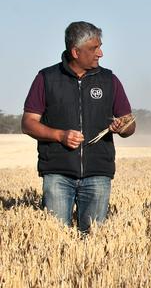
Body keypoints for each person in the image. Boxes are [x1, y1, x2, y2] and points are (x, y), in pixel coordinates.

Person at [21, 21, 136, 232]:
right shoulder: (46, 78)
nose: (100, 53)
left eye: (100, 46)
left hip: (98, 174)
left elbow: (130, 124)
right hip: (57, 174)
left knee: (94, 240)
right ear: (75, 51)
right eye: (94, 48)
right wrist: (60, 135)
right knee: (54, 240)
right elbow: (28, 123)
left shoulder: (109, 80)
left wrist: (123, 127)